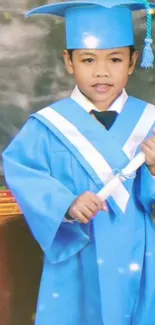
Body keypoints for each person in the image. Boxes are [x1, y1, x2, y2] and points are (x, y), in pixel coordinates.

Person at [2, 0, 155, 324]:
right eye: (88, 60)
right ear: (68, 62)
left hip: (141, 253)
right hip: (78, 251)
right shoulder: (47, 126)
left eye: (115, 59)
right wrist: (65, 203)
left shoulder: (150, 122)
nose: (102, 71)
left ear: (132, 61)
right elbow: (23, 172)